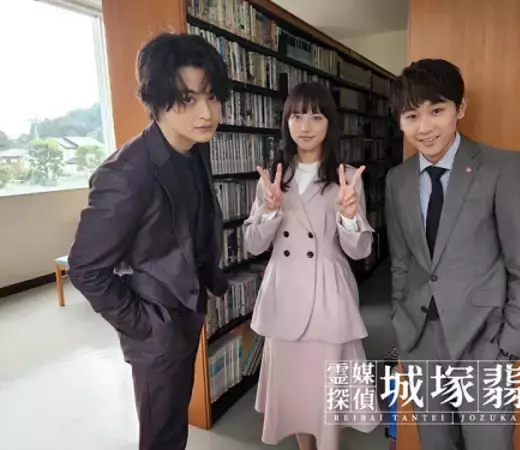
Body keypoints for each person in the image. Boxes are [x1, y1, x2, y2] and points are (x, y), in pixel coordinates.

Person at [67, 33, 230, 450]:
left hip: (187, 311)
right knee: (161, 437)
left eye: (212, 96)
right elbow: (85, 268)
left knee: (173, 427)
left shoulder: (194, 148)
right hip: (156, 328)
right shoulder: (126, 173)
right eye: (188, 99)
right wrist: (147, 327)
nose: (206, 112)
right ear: (157, 99)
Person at [385, 59, 520, 450]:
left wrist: (510, 345)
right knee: (435, 443)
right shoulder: (397, 179)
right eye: (411, 116)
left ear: (461, 107)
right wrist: (403, 327)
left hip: (484, 339)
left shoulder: (502, 167)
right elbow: (401, 261)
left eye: (436, 111)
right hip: (422, 339)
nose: (424, 127)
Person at [242, 81, 379, 450]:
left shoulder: (346, 177)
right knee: (297, 394)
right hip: (284, 297)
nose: (305, 126)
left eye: (316, 117)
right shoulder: (274, 178)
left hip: (327, 299)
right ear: (286, 122)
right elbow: (253, 243)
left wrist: (348, 215)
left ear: (329, 123)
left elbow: (359, 250)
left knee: (326, 393)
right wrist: (269, 211)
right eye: (297, 117)